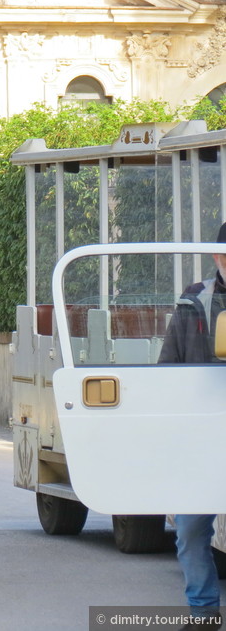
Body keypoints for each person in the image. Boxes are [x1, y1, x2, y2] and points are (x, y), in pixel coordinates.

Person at [158, 222, 226, 630]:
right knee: (189, 528)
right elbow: (169, 365)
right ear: (218, 257)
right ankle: (203, 611)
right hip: (201, 434)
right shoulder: (193, 300)